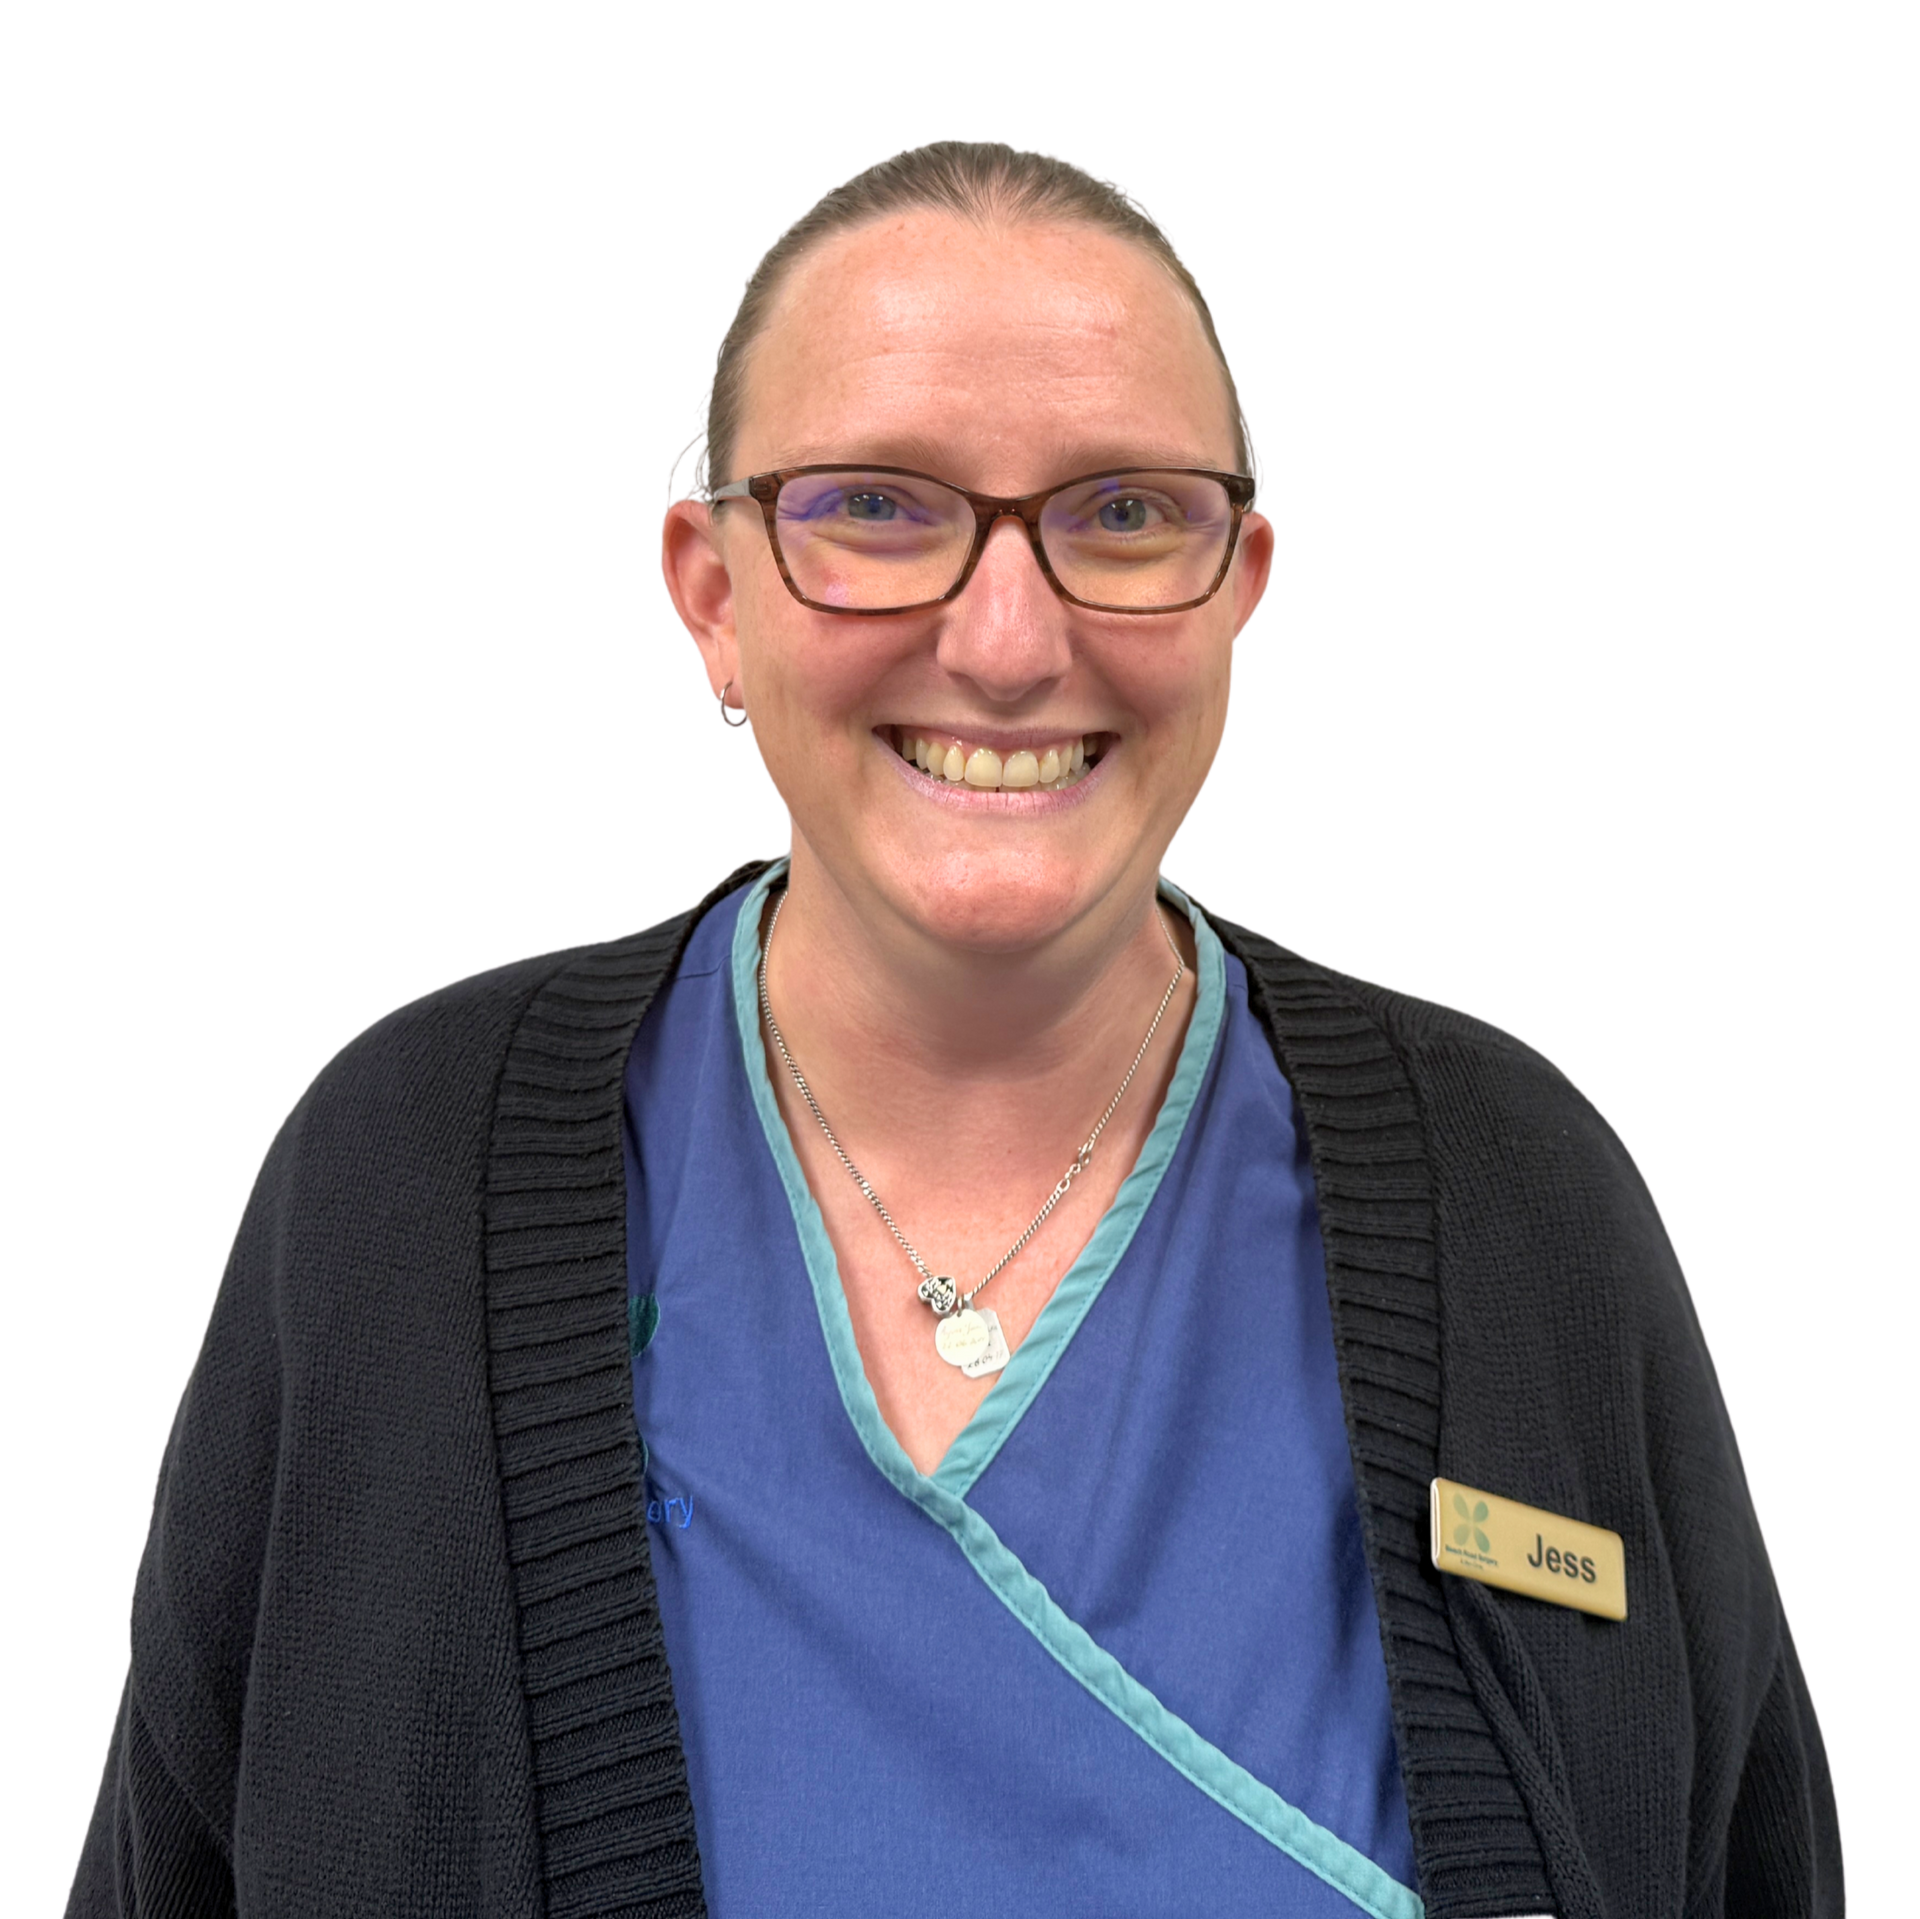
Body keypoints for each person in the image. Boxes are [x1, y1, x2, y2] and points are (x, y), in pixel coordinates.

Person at [68, 139, 1843, 1917]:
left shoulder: (1527, 1197)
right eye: (879, 508)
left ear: (1243, 588)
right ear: (710, 591)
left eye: (1125, 515)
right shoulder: (396, 1175)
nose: (1007, 639)